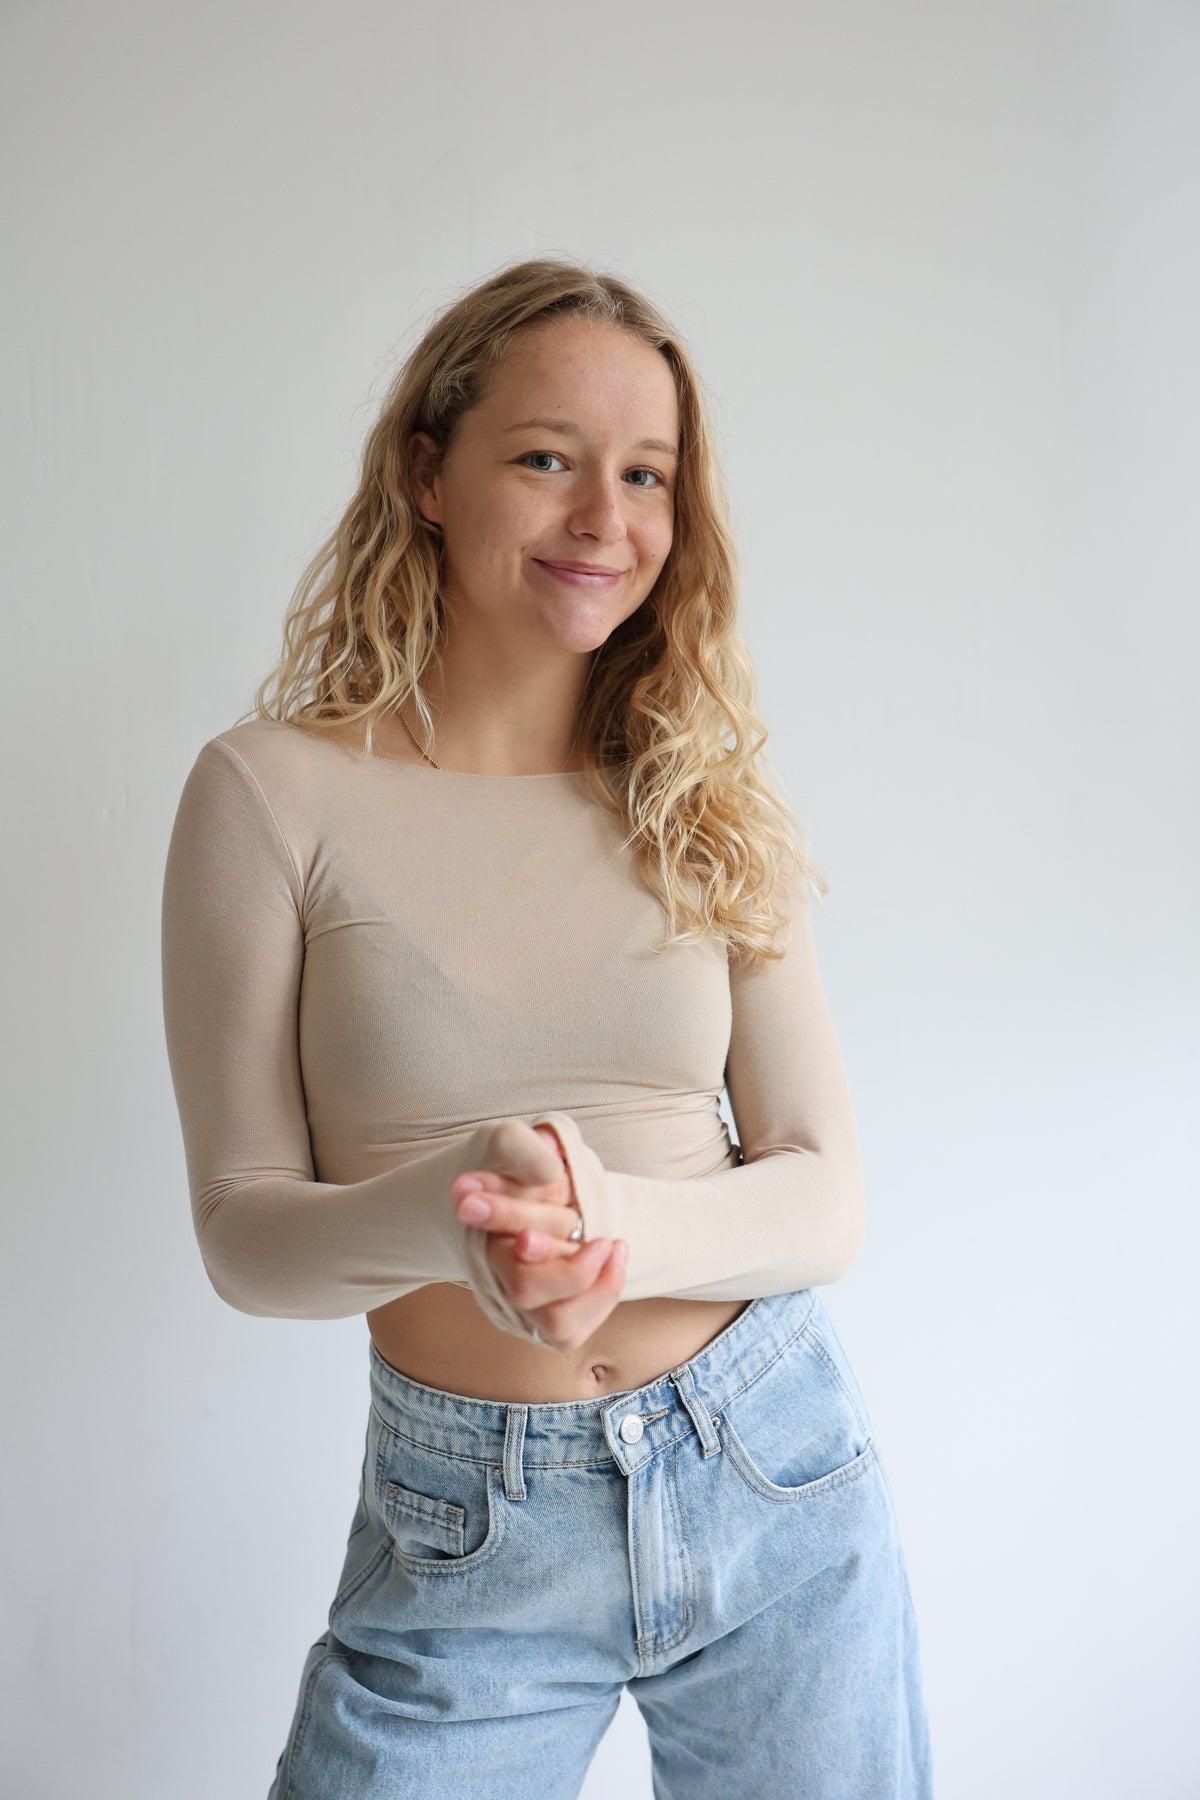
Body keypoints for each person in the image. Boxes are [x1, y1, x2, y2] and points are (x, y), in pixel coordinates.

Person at [160, 257, 934, 1797]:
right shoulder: (269, 797)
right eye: (545, 459)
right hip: (468, 1533)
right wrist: (460, 1220)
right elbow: (245, 1234)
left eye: (646, 474)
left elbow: (824, 1194)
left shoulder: (700, 791)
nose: (605, 520)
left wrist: (607, 1227)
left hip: (771, 1471)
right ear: (426, 474)